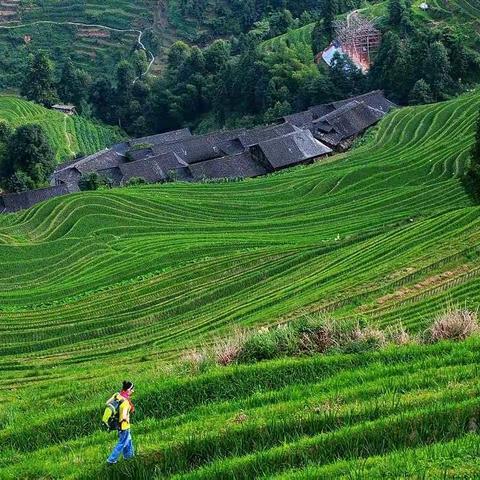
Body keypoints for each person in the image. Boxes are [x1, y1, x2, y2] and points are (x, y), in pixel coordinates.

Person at [107, 381, 136, 464]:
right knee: (122, 443)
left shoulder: (117, 395)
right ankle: (111, 460)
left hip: (118, 425)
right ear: (128, 390)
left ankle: (129, 457)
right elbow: (123, 415)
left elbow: (107, 403)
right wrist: (125, 419)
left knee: (128, 441)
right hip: (124, 426)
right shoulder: (126, 402)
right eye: (132, 389)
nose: (133, 391)